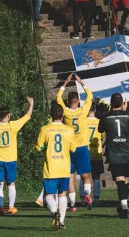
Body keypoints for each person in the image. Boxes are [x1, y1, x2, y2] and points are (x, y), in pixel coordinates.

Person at [0, 96, 33, 215]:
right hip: (10, 160)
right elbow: (27, 116)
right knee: (11, 183)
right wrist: (31, 104)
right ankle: (11, 207)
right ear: (8, 115)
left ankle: (1, 208)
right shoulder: (13, 126)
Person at [56, 73, 94, 211]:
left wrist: (65, 83)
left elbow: (57, 98)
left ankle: (72, 204)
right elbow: (90, 96)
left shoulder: (65, 112)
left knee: (70, 175)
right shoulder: (83, 111)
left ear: (68, 101)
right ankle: (88, 194)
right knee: (85, 175)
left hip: (69, 148)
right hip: (82, 146)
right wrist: (81, 83)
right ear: (78, 101)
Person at [35, 104, 76, 231]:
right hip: (64, 168)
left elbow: (39, 147)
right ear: (62, 115)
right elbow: (73, 148)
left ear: (51, 115)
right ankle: (61, 221)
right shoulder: (69, 130)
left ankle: (54, 211)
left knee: (48, 195)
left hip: (51, 168)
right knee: (62, 194)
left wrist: (40, 147)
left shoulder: (45, 129)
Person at [97, 93, 129, 219]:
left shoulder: (105, 116)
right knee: (124, 179)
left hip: (114, 152)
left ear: (111, 102)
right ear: (122, 103)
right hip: (127, 152)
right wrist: (125, 111)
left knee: (120, 180)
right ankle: (122, 205)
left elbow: (100, 130)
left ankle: (125, 208)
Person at [80, 99, 106, 206]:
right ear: (95, 109)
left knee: (84, 176)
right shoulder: (99, 121)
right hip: (97, 153)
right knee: (96, 177)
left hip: (85, 152)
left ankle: (82, 198)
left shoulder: (83, 121)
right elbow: (102, 135)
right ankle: (96, 198)